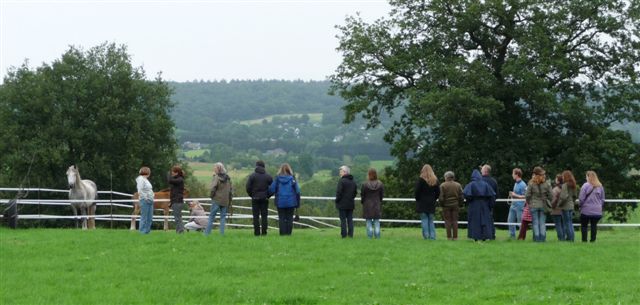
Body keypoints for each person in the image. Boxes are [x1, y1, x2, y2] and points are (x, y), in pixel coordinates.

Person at [463, 169, 495, 241]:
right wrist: (490, 205)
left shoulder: (471, 184)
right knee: (485, 221)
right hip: (484, 205)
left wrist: (469, 201)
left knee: (475, 221)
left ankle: (475, 237)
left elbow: (466, 195)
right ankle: (485, 236)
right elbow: (492, 196)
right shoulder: (486, 184)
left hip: (474, 204)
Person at [269, 163, 301, 236]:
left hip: (280, 201)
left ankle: (282, 234)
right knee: (290, 218)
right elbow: (298, 190)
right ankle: (288, 234)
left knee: (281, 218)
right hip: (291, 202)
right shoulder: (292, 179)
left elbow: (272, 189)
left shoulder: (277, 179)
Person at [525, 166, 552, 242]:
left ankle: (537, 239)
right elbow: (551, 195)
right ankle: (542, 239)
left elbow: (527, 195)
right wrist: (547, 199)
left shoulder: (531, 183)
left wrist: (529, 202)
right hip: (543, 205)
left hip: (533, 205)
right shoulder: (546, 183)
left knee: (535, 223)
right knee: (542, 223)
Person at [246, 160, 273, 236]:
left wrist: (252, 195)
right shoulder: (268, 176)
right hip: (264, 198)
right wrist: (268, 195)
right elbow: (273, 188)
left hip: (255, 198)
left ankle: (256, 233)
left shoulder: (252, 176)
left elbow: (248, 187)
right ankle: (264, 232)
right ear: (264, 166)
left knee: (256, 216)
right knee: (264, 216)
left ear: (256, 166)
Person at [205, 162, 233, 236]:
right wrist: (230, 200)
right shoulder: (228, 178)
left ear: (218, 169)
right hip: (225, 200)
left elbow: (212, 188)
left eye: (215, 168)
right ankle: (222, 234)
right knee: (223, 218)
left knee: (211, 217)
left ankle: (207, 234)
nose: (214, 169)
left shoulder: (216, 177)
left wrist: (211, 196)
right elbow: (231, 190)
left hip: (216, 199)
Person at [415, 164, 440, 240]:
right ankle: (432, 236)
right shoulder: (435, 180)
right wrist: (434, 199)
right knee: (431, 220)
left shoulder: (421, 180)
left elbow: (417, 192)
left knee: (424, 220)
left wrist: (418, 199)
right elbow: (438, 192)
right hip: (431, 202)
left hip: (422, 202)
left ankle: (426, 236)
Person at [579, 171, 605, 242]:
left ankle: (584, 240)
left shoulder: (585, 186)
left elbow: (581, 198)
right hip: (597, 211)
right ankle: (593, 240)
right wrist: (599, 206)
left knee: (584, 226)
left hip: (586, 210)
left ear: (588, 177)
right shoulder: (600, 186)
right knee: (594, 226)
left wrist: (580, 206)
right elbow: (602, 199)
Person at [438, 171, 464, 240]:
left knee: (448, 221)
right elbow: (461, 196)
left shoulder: (442, 185)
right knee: (455, 221)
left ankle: (449, 237)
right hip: (455, 205)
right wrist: (460, 204)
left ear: (446, 177)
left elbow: (441, 197)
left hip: (446, 206)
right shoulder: (458, 185)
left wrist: (442, 205)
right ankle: (455, 237)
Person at [361, 168, 384, 239]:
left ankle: (369, 237)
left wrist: (363, 202)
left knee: (368, 222)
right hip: (377, 205)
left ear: (369, 175)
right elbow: (381, 195)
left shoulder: (365, 184)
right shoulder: (380, 184)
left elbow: (362, 195)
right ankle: (377, 237)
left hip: (367, 205)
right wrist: (378, 201)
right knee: (377, 222)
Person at [335, 165, 357, 238]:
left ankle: (344, 235)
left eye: (340, 171)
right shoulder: (353, 182)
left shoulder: (341, 181)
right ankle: (350, 235)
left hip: (342, 204)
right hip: (350, 204)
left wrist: (337, 200)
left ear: (344, 172)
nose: (339, 173)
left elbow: (339, 192)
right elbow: (355, 193)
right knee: (350, 220)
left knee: (343, 220)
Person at [558, 170, 578, 242]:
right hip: (571, 206)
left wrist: (559, 204)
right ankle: (572, 238)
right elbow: (575, 196)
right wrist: (572, 202)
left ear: (565, 177)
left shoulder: (565, 185)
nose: (562, 177)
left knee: (566, 223)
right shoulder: (573, 185)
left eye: (563, 176)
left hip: (565, 206)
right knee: (570, 223)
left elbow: (564, 196)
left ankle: (569, 238)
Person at [507, 168, 527, 239]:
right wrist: (512, 195)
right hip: (513, 205)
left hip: (520, 206)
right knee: (510, 220)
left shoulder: (523, 184)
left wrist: (515, 195)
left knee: (520, 222)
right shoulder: (515, 183)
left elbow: (525, 196)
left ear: (517, 175)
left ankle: (521, 237)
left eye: (513, 173)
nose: (512, 175)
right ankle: (512, 237)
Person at [481, 164, 498, 239]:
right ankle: (492, 235)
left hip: (481, 203)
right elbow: (497, 194)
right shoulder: (494, 181)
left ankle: (482, 235)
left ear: (484, 171)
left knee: (481, 220)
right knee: (490, 219)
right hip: (490, 204)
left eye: (481, 170)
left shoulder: (479, 181)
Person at [135, 166, 154, 234]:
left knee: (150, 217)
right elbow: (139, 191)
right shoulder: (141, 179)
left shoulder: (145, 179)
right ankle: (142, 232)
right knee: (144, 217)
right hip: (145, 200)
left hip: (150, 200)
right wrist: (145, 198)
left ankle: (147, 231)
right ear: (147, 172)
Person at [168, 165, 185, 234]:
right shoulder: (178, 179)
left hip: (177, 201)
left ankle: (180, 231)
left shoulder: (179, 180)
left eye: (173, 171)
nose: (172, 173)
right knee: (177, 217)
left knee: (177, 218)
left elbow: (170, 180)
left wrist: (168, 174)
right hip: (176, 201)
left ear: (176, 173)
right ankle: (179, 231)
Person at [550, 174, 564, 241]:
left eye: (556, 179)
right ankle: (563, 237)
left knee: (558, 225)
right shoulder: (564, 188)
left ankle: (560, 238)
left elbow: (554, 199)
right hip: (563, 209)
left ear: (558, 181)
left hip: (556, 210)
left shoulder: (555, 189)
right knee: (563, 225)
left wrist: (551, 206)